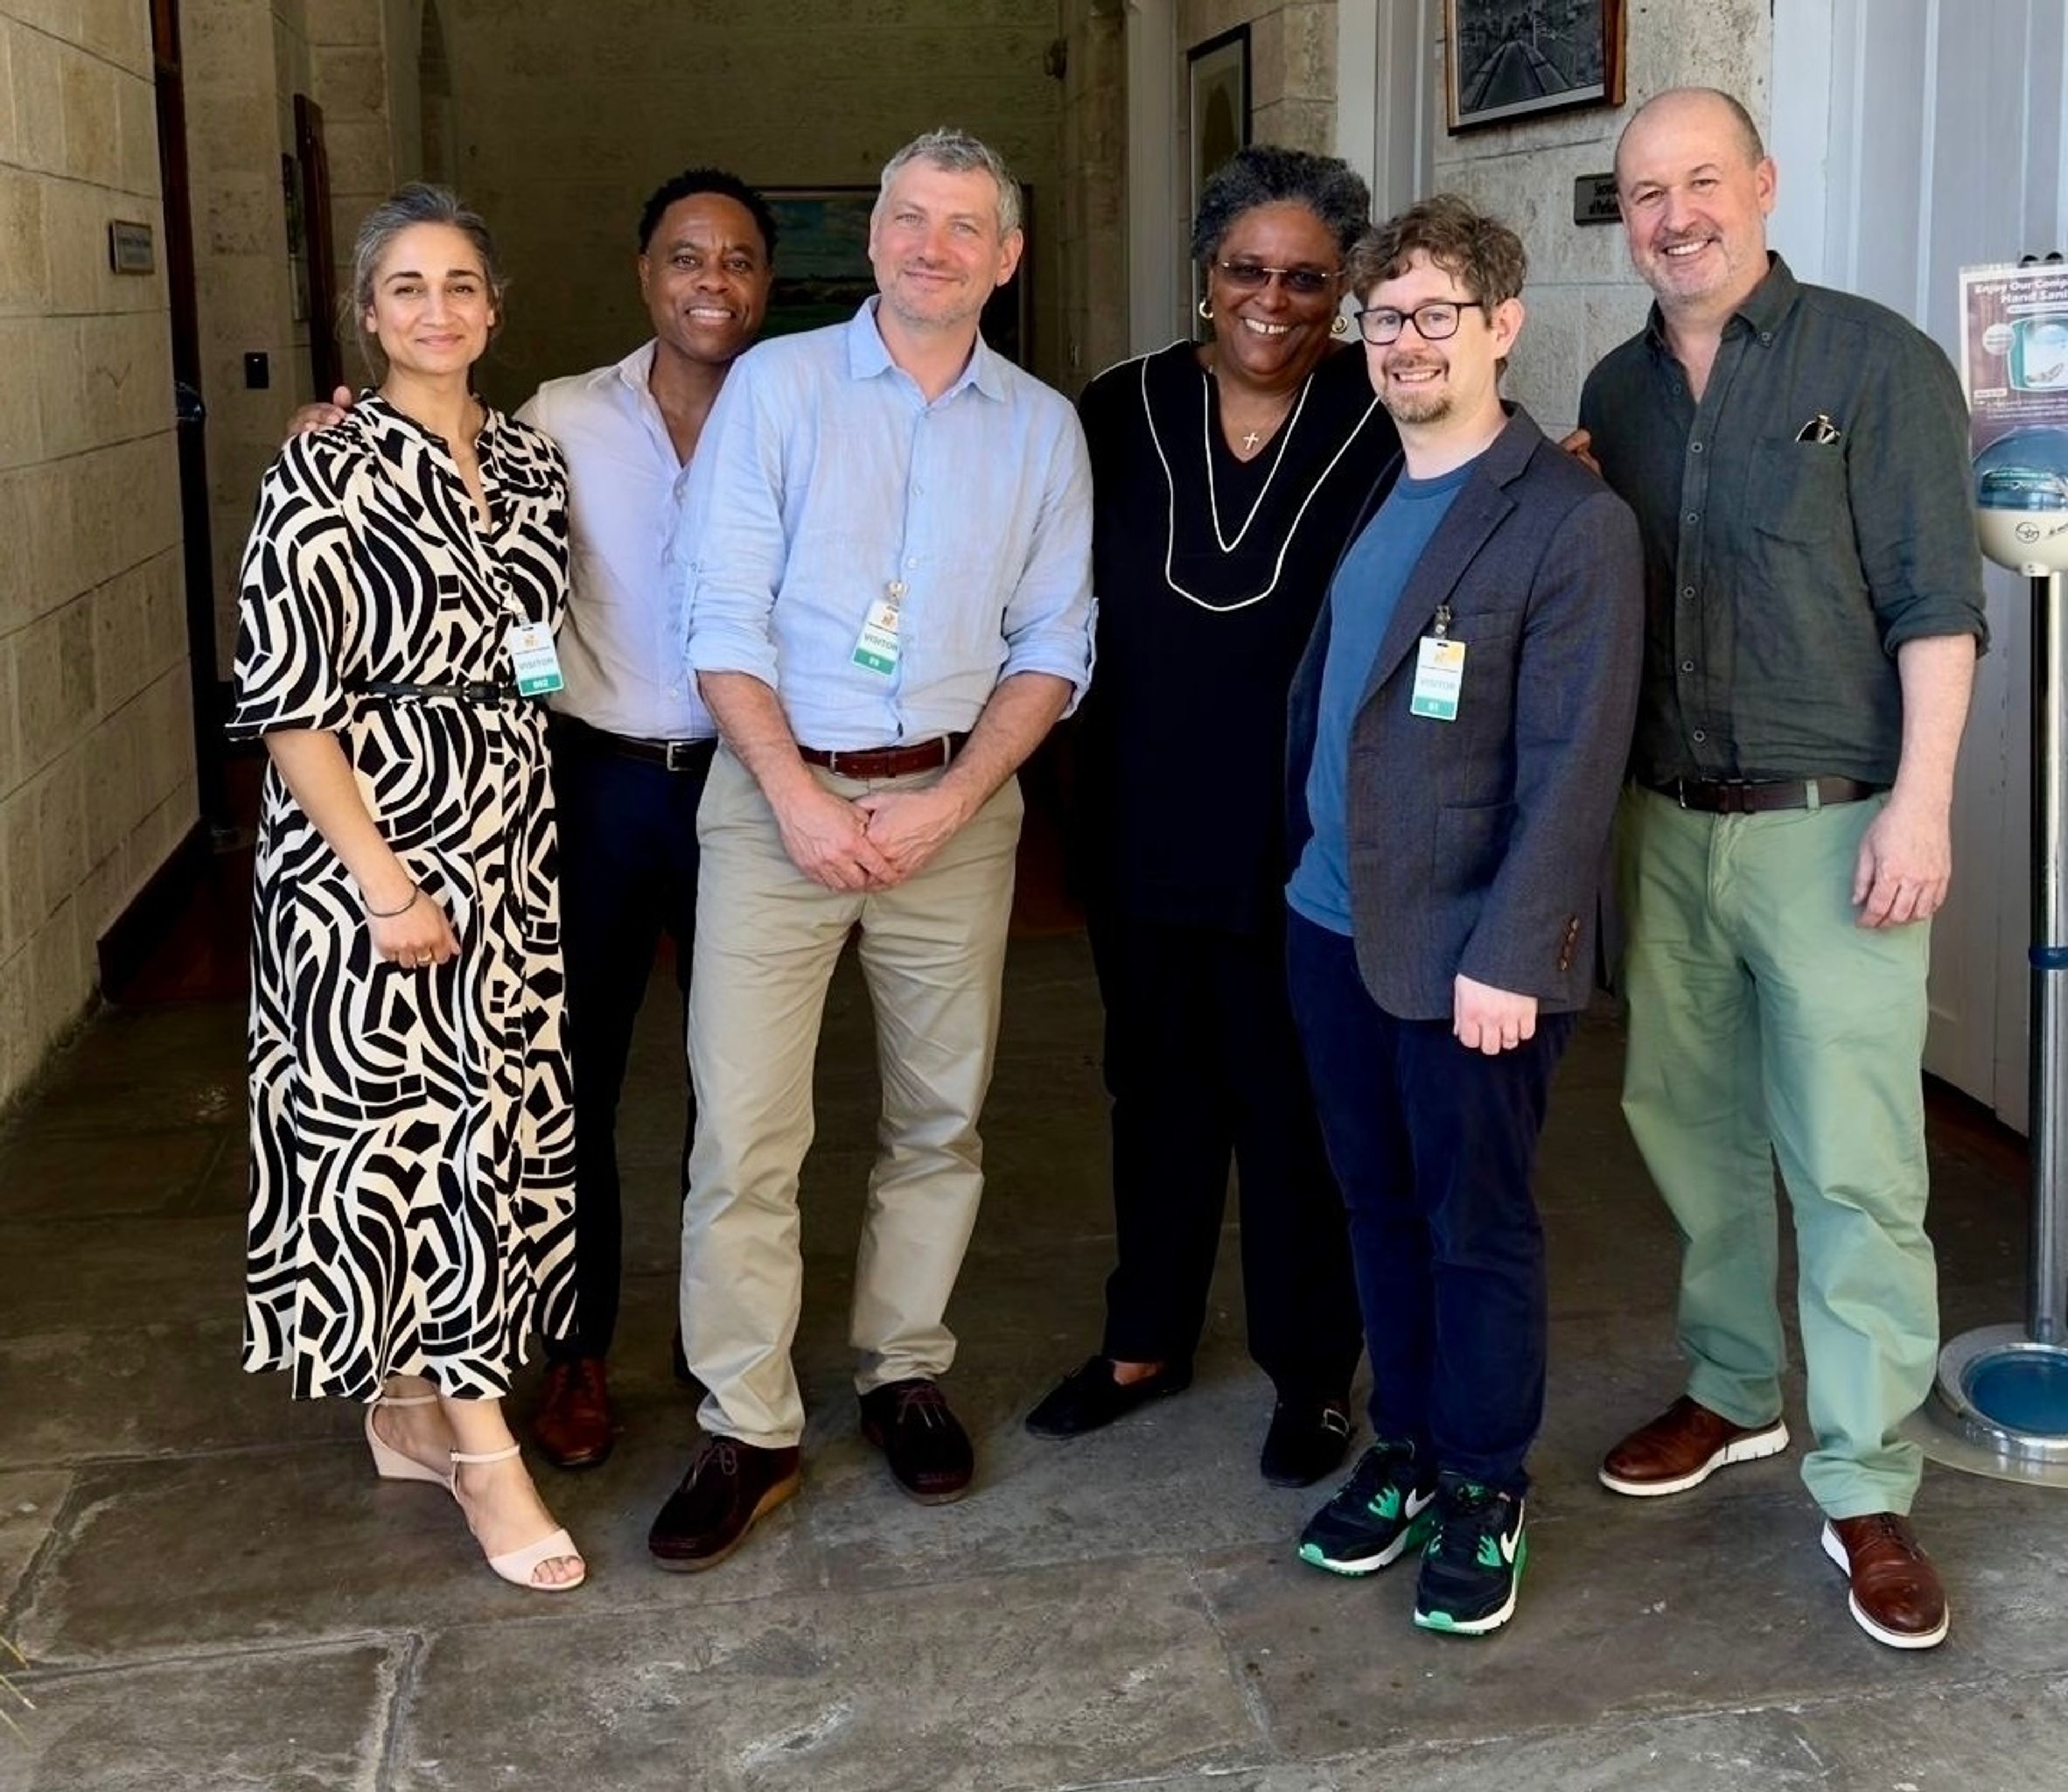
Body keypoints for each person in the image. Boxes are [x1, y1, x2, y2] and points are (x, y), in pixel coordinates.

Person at [645, 128, 1094, 1571]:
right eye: (910, 219)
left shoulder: (1041, 428)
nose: (932, 246)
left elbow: (1055, 642)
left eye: (967, 227)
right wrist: (794, 796)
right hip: (777, 804)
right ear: (875, 239)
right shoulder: (776, 390)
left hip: (952, 815)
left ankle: (904, 1371)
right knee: (746, 1134)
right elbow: (719, 614)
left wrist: (955, 799)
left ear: (1005, 257)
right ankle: (750, 1422)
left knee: (938, 1119)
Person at [1576, 88, 1985, 1652]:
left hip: (1837, 824)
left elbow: (1935, 602)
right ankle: (1736, 1388)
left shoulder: (1874, 362)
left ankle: (1867, 1479)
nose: (1674, 214)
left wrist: (1923, 804)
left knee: (1856, 1165)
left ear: (1761, 183)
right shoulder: (1617, 386)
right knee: (1691, 1126)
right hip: (1666, 820)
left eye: (1700, 181)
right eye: (1645, 192)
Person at [290, 170, 778, 1472]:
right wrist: (330, 421)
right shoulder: (560, 418)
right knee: (576, 1074)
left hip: (752, 781)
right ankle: (574, 1346)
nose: (710, 281)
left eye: (736, 258)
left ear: (765, 282)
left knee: (741, 1082)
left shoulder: (805, 412)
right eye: (686, 255)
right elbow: (418, 488)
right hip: (596, 780)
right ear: (644, 275)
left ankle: (722, 1333)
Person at [1286, 196, 1641, 1636]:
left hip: (1470, 957)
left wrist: (1515, 952)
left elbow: (1575, 761)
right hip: (1332, 923)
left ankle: (1488, 1480)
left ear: (1504, 326)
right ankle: (1415, 1446)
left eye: (1440, 314)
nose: (1408, 341)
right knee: (1376, 1208)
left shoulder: (1569, 519)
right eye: (1386, 318)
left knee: (1474, 1223)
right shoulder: (1381, 478)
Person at [229, 184, 583, 1591]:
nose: (436, 311)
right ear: (366, 316)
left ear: (494, 310)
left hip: (509, 835)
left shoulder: (537, 464)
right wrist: (384, 886)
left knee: (482, 1138)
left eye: (460, 287)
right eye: (406, 289)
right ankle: (486, 1452)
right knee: (404, 1145)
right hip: (365, 852)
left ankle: (408, 1407)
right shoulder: (317, 471)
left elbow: (542, 641)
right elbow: (287, 704)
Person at [1023, 146, 1380, 1487]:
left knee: (1299, 1111)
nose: (1274, 300)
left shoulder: (1383, 408)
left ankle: (1311, 1373)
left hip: (1309, 836)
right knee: (1155, 1090)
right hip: (1140, 816)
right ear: (1204, 276)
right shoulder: (1114, 409)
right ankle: (1143, 1339)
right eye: (1248, 270)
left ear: (1342, 291)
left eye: (1306, 277)